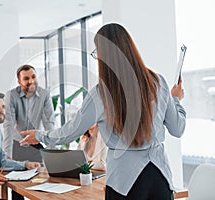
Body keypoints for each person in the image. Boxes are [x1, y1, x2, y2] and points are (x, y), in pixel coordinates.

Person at [19, 23, 186, 200]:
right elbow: (178, 129)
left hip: (124, 182)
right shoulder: (158, 82)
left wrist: (40, 135)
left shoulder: (101, 94)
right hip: (159, 178)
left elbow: (70, 132)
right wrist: (175, 99)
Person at [3, 64, 55, 199]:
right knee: (17, 187)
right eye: (26, 78)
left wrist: (52, 151)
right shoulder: (11, 96)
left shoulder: (44, 94)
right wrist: (7, 155)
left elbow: (49, 122)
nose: (31, 81)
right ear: (19, 82)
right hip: (17, 144)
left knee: (41, 182)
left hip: (35, 142)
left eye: (33, 76)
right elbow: (8, 125)